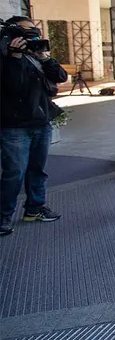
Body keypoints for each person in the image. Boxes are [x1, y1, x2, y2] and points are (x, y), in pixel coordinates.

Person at [0, 16, 68, 236]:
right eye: (27, 33)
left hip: (41, 121)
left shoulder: (36, 54)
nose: (33, 37)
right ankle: (3, 216)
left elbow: (60, 76)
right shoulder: (5, 55)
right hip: (15, 126)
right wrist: (14, 57)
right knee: (14, 173)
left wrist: (45, 58)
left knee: (37, 170)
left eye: (35, 33)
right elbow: (14, 87)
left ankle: (34, 208)